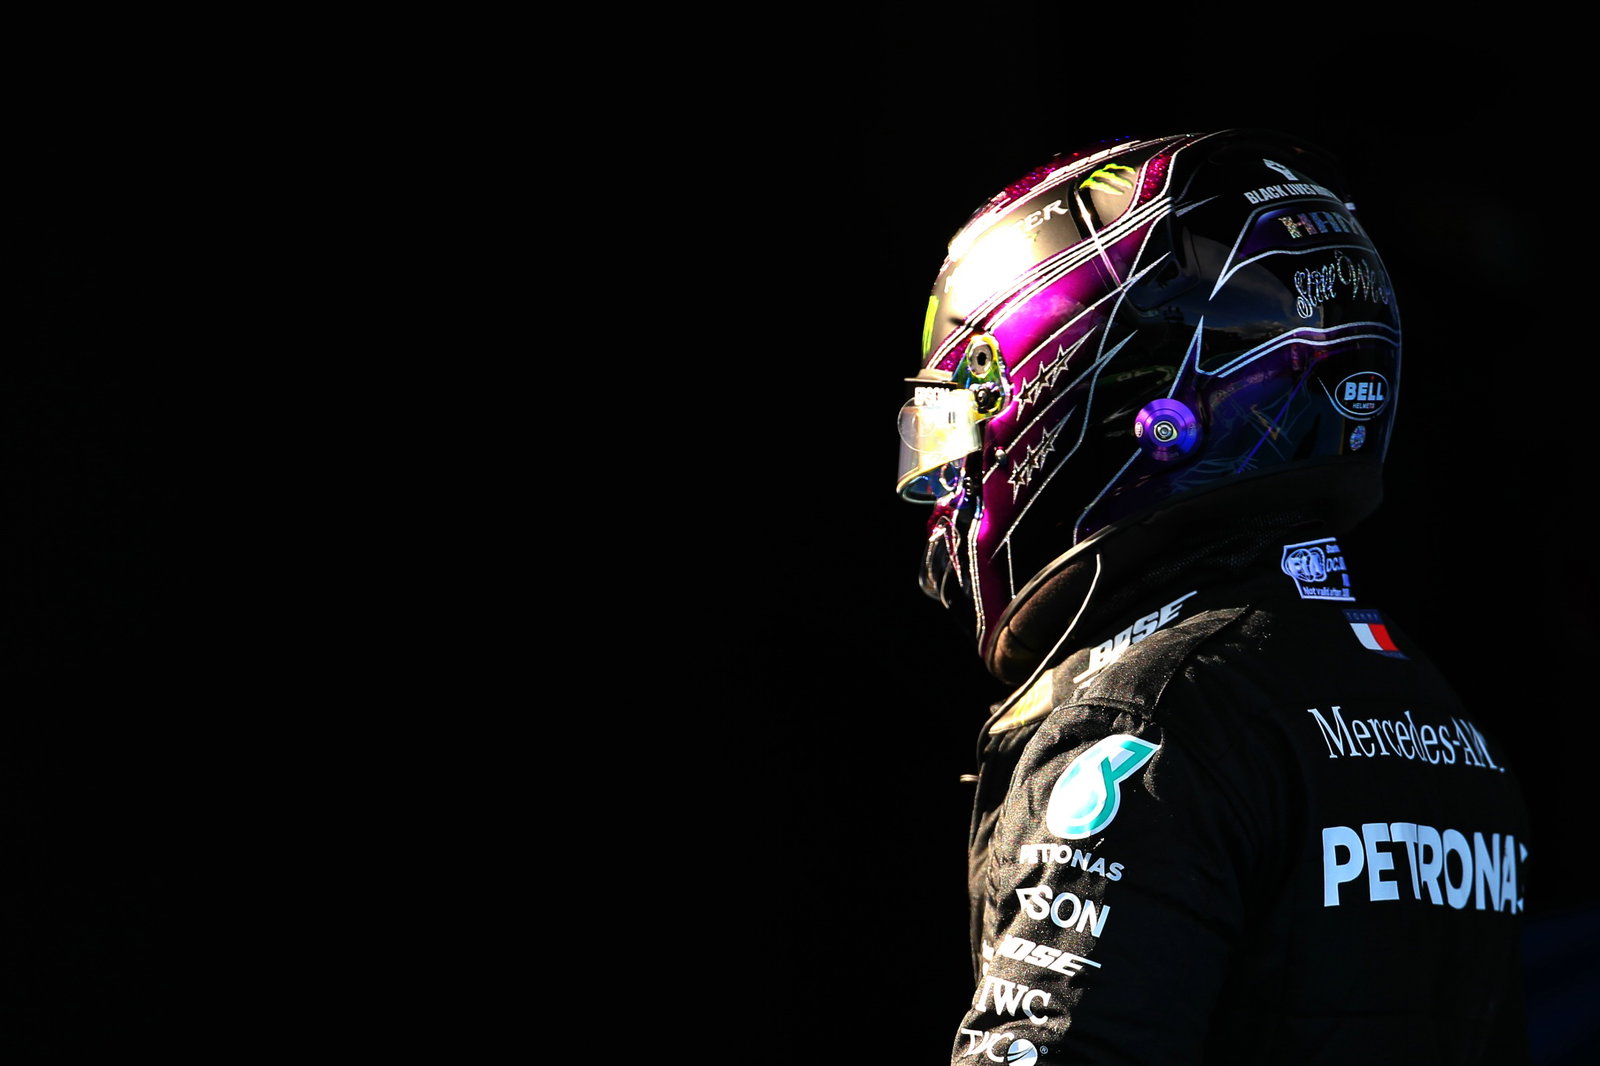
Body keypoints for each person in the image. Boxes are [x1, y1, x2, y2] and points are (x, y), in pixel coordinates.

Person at [894, 129, 1531, 1064]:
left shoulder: (1135, 724)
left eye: (965, 418)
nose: (951, 473)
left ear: (1112, 401)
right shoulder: (1437, 720)